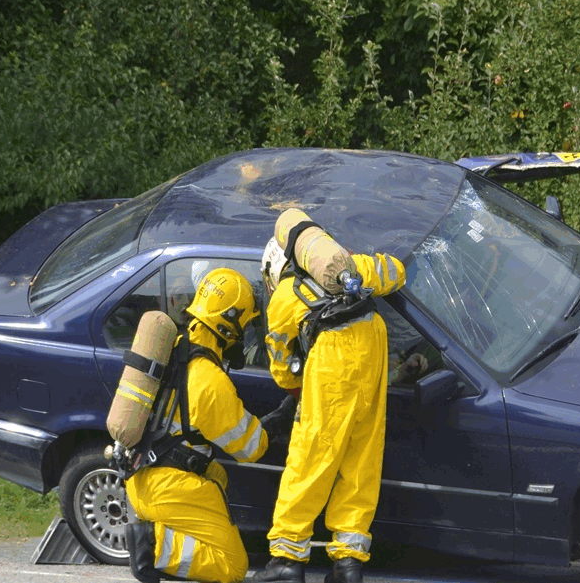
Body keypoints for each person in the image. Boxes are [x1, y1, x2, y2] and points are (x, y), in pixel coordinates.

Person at [254, 231, 406, 583]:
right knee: (362, 457)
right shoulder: (352, 270)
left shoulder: (285, 299)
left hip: (333, 362)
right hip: (372, 346)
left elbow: (280, 367)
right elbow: (397, 271)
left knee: (311, 457)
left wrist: (296, 388)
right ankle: (348, 564)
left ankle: (286, 560)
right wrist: (358, 262)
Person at [124, 268, 279, 583]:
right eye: (244, 327)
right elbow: (252, 448)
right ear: (229, 324)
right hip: (167, 487)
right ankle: (152, 545)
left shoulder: (178, 344)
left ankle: (162, 530)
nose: (244, 335)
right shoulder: (209, 381)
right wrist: (282, 416)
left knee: (217, 477)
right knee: (231, 566)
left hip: (141, 476)